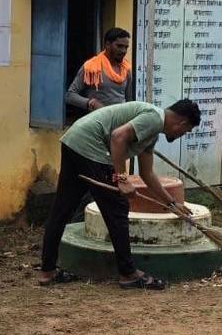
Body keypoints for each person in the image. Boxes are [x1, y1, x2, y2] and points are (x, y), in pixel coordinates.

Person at [39, 100, 201, 291]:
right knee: (118, 207)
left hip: (74, 140)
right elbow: (118, 137)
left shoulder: (151, 133)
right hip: (90, 145)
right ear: (182, 123)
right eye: (186, 131)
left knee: (62, 209)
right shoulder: (154, 118)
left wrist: (172, 204)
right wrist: (122, 179)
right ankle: (128, 273)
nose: (182, 135)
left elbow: (147, 174)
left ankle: (48, 271)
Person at [66, 28, 134, 112]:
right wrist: (91, 103)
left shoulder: (126, 69)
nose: (124, 51)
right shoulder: (91, 67)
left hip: (120, 118)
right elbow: (70, 96)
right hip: (98, 117)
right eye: (119, 46)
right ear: (107, 45)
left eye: (126, 47)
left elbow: (129, 100)